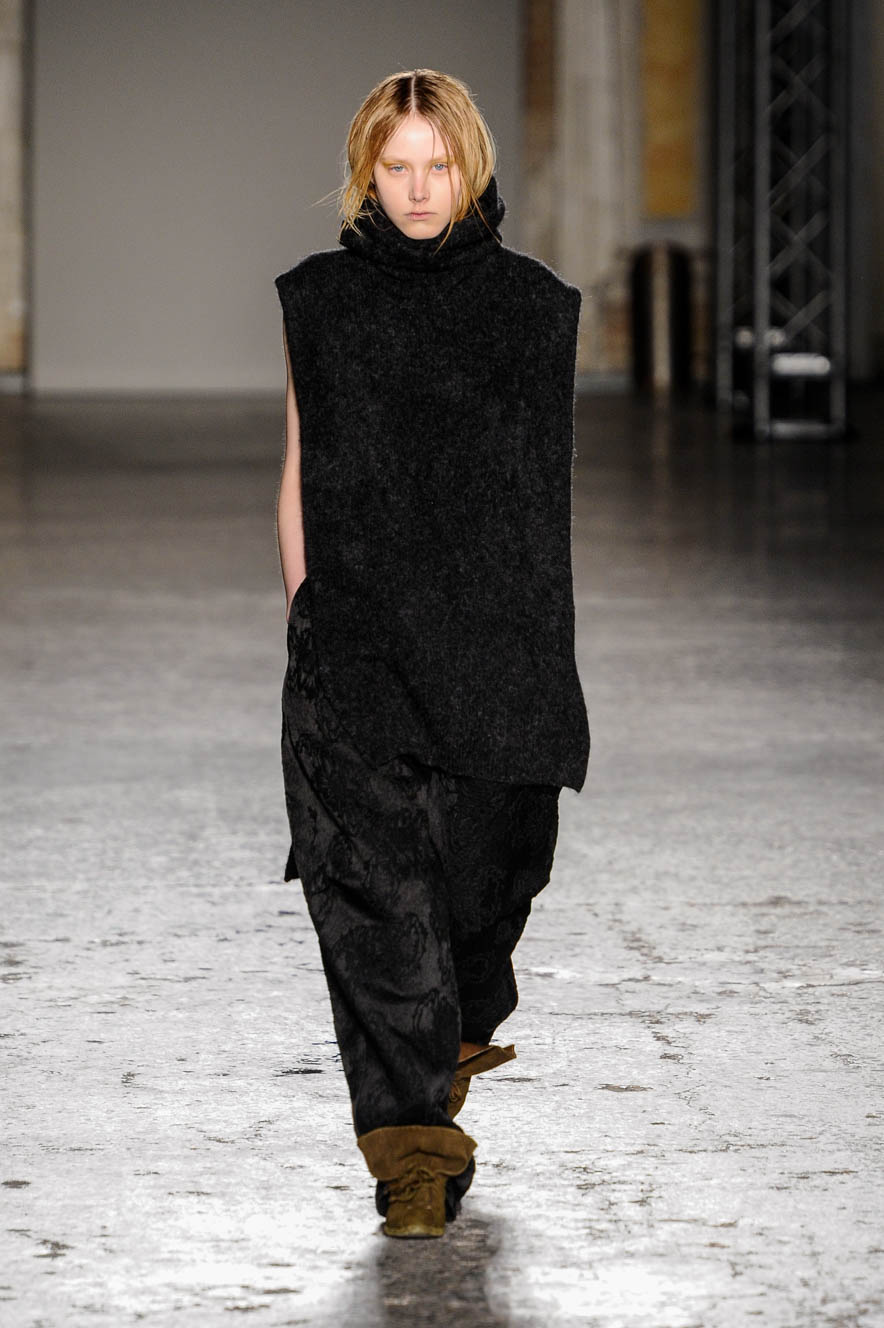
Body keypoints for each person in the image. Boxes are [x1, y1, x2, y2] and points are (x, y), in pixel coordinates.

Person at [274, 68, 589, 1239]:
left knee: (483, 892)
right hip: (357, 645)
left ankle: (447, 1040)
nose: (416, 189)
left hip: (495, 650)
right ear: (365, 174)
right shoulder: (321, 302)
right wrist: (308, 614)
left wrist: (539, 647)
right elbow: (300, 465)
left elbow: (541, 493)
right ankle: (409, 1152)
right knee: (373, 904)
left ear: (470, 167)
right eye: (394, 167)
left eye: (436, 165)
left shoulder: (532, 307)